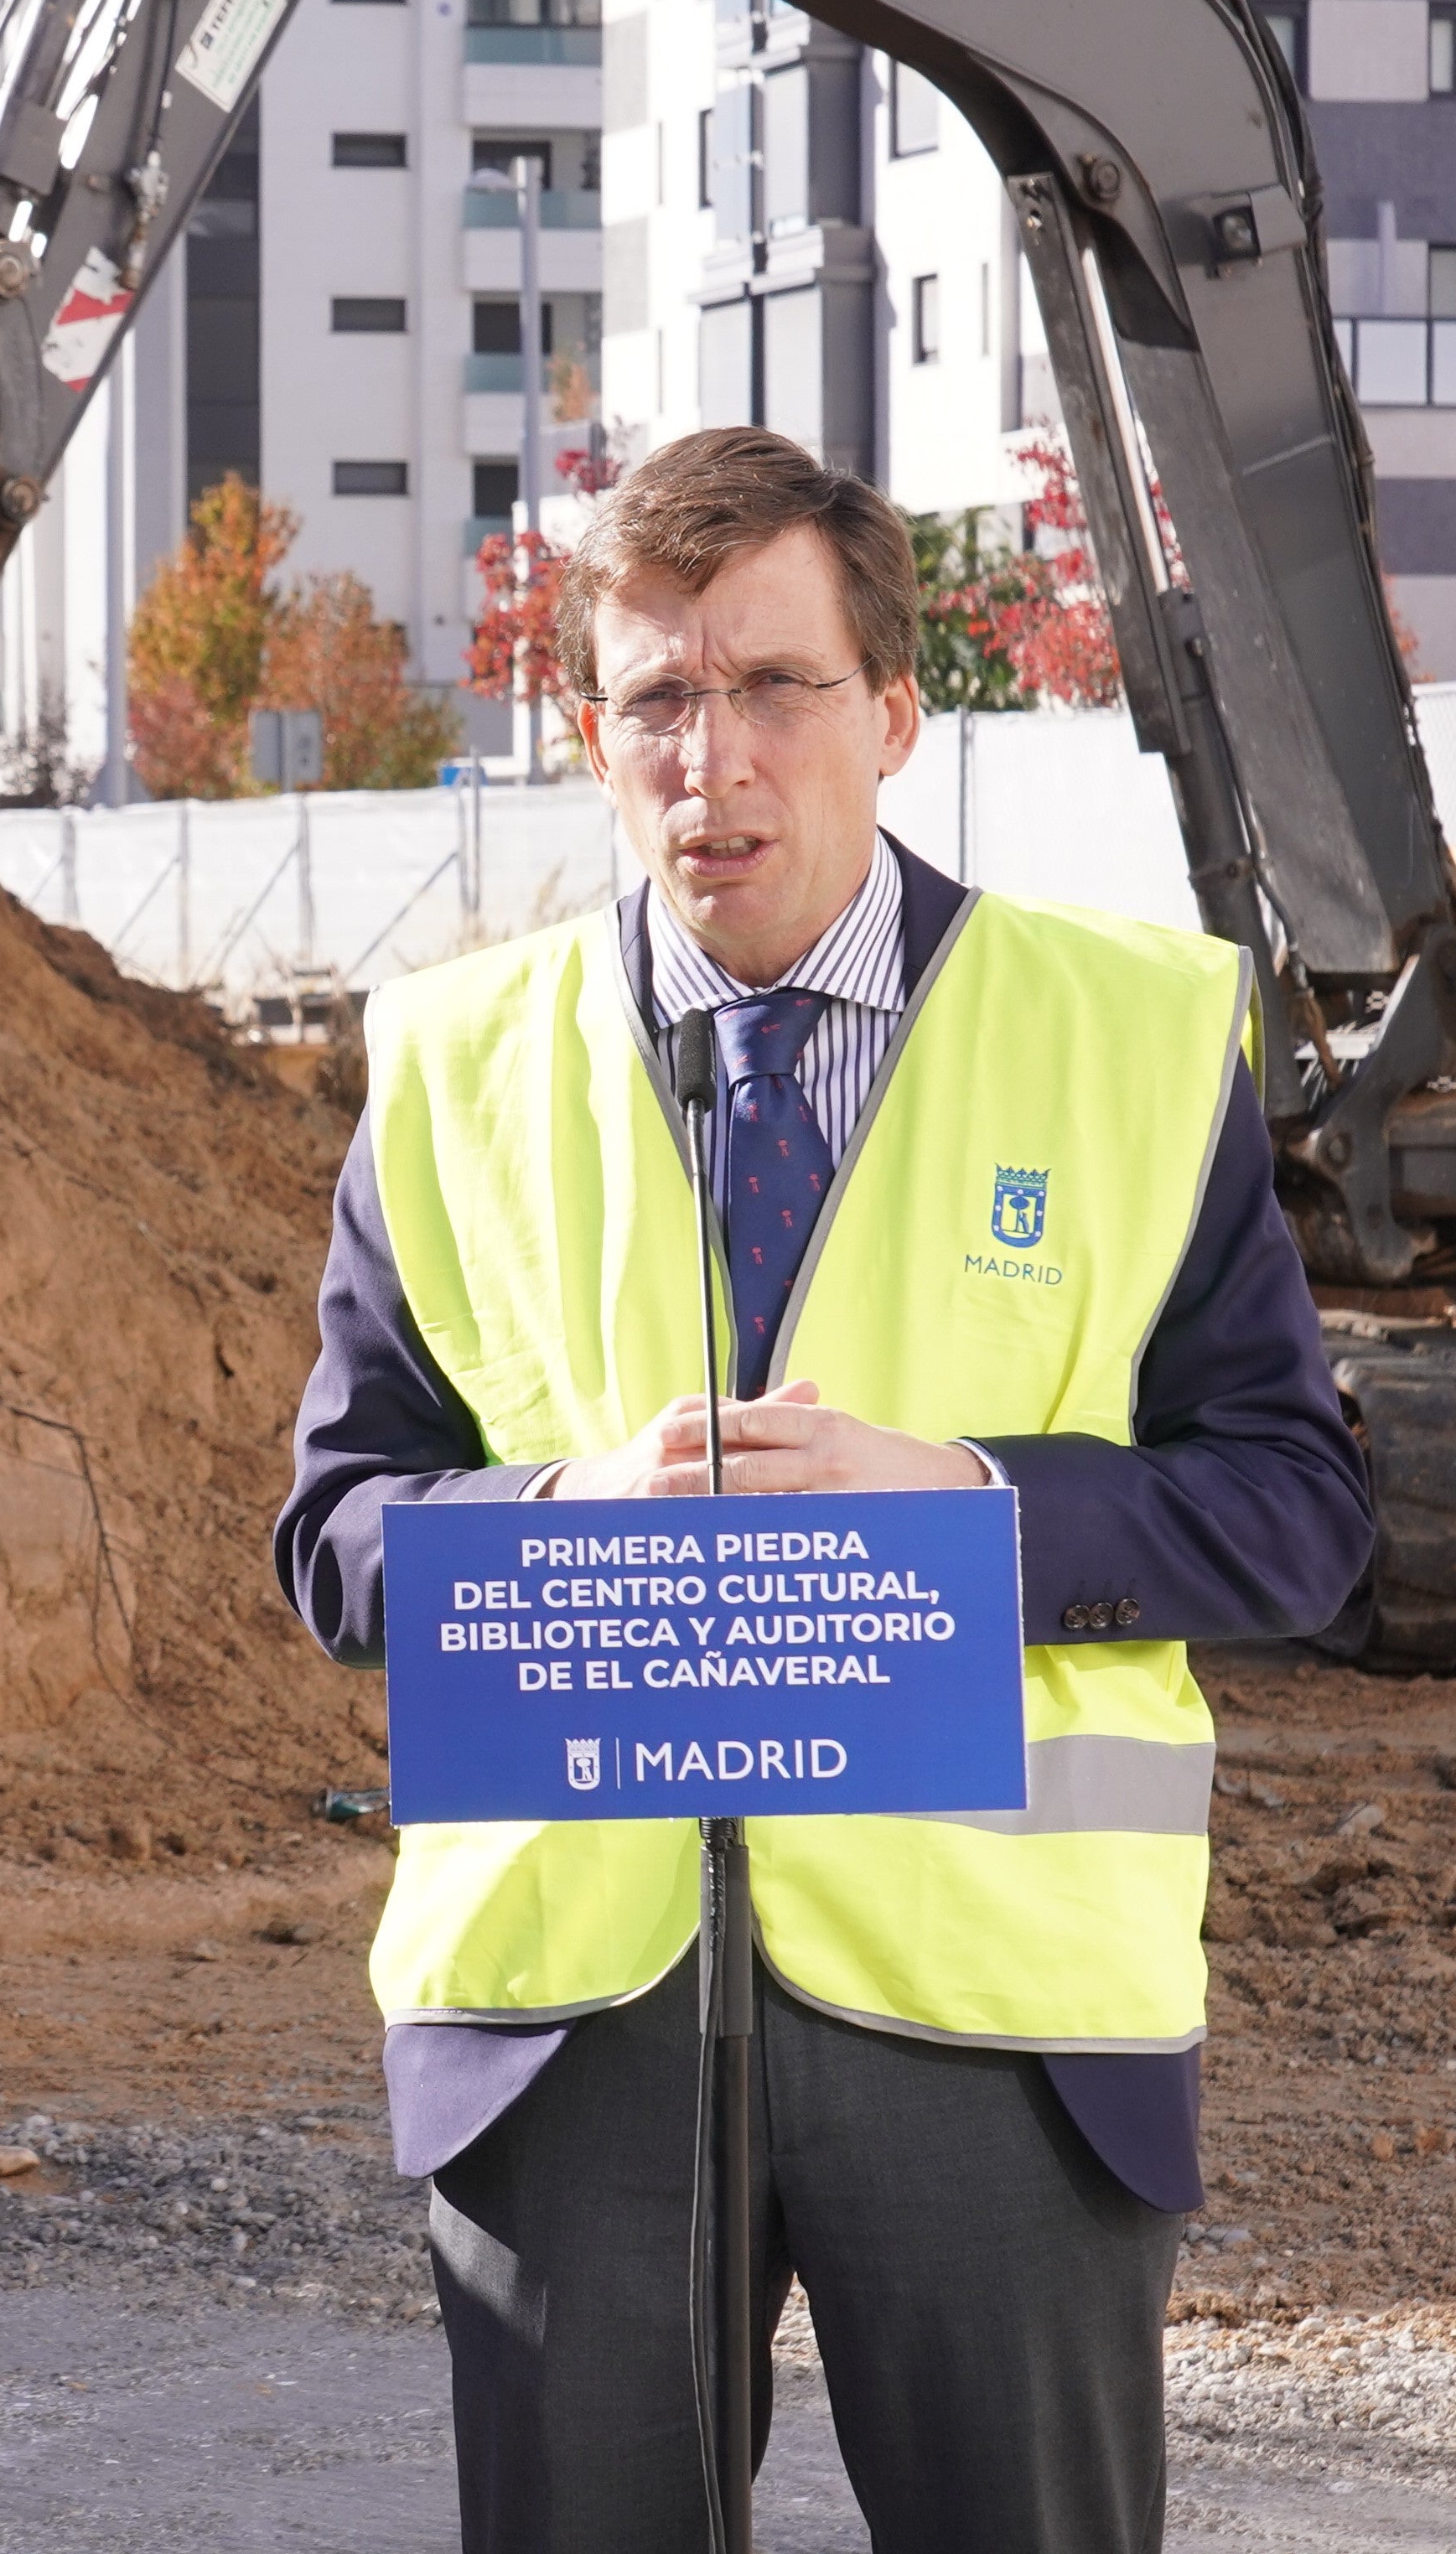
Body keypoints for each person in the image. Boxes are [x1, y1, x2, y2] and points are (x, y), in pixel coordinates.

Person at [273, 426, 1375, 2554]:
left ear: (894, 707)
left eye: (776, 686)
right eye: (659, 700)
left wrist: (958, 1501)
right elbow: (333, 1531)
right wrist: (546, 1528)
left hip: (995, 2020)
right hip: (571, 2017)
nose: (717, 758)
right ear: (597, 734)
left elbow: (1298, 1514)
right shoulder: (455, 1069)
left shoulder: (1129, 1039)